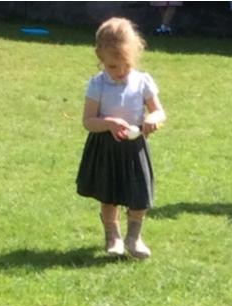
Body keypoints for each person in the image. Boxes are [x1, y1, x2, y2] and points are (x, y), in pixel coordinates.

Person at [76, 17, 165, 259]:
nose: (120, 72)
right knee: (109, 194)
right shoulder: (97, 84)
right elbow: (88, 121)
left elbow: (159, 111)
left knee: (139, 195)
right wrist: (108, 123)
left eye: (125, 65)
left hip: (135, 147)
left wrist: (152, 118)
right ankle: (113, 236)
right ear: (100, 56)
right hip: (106, 146)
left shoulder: (142, 81)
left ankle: (134, 237)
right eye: (112, 66)